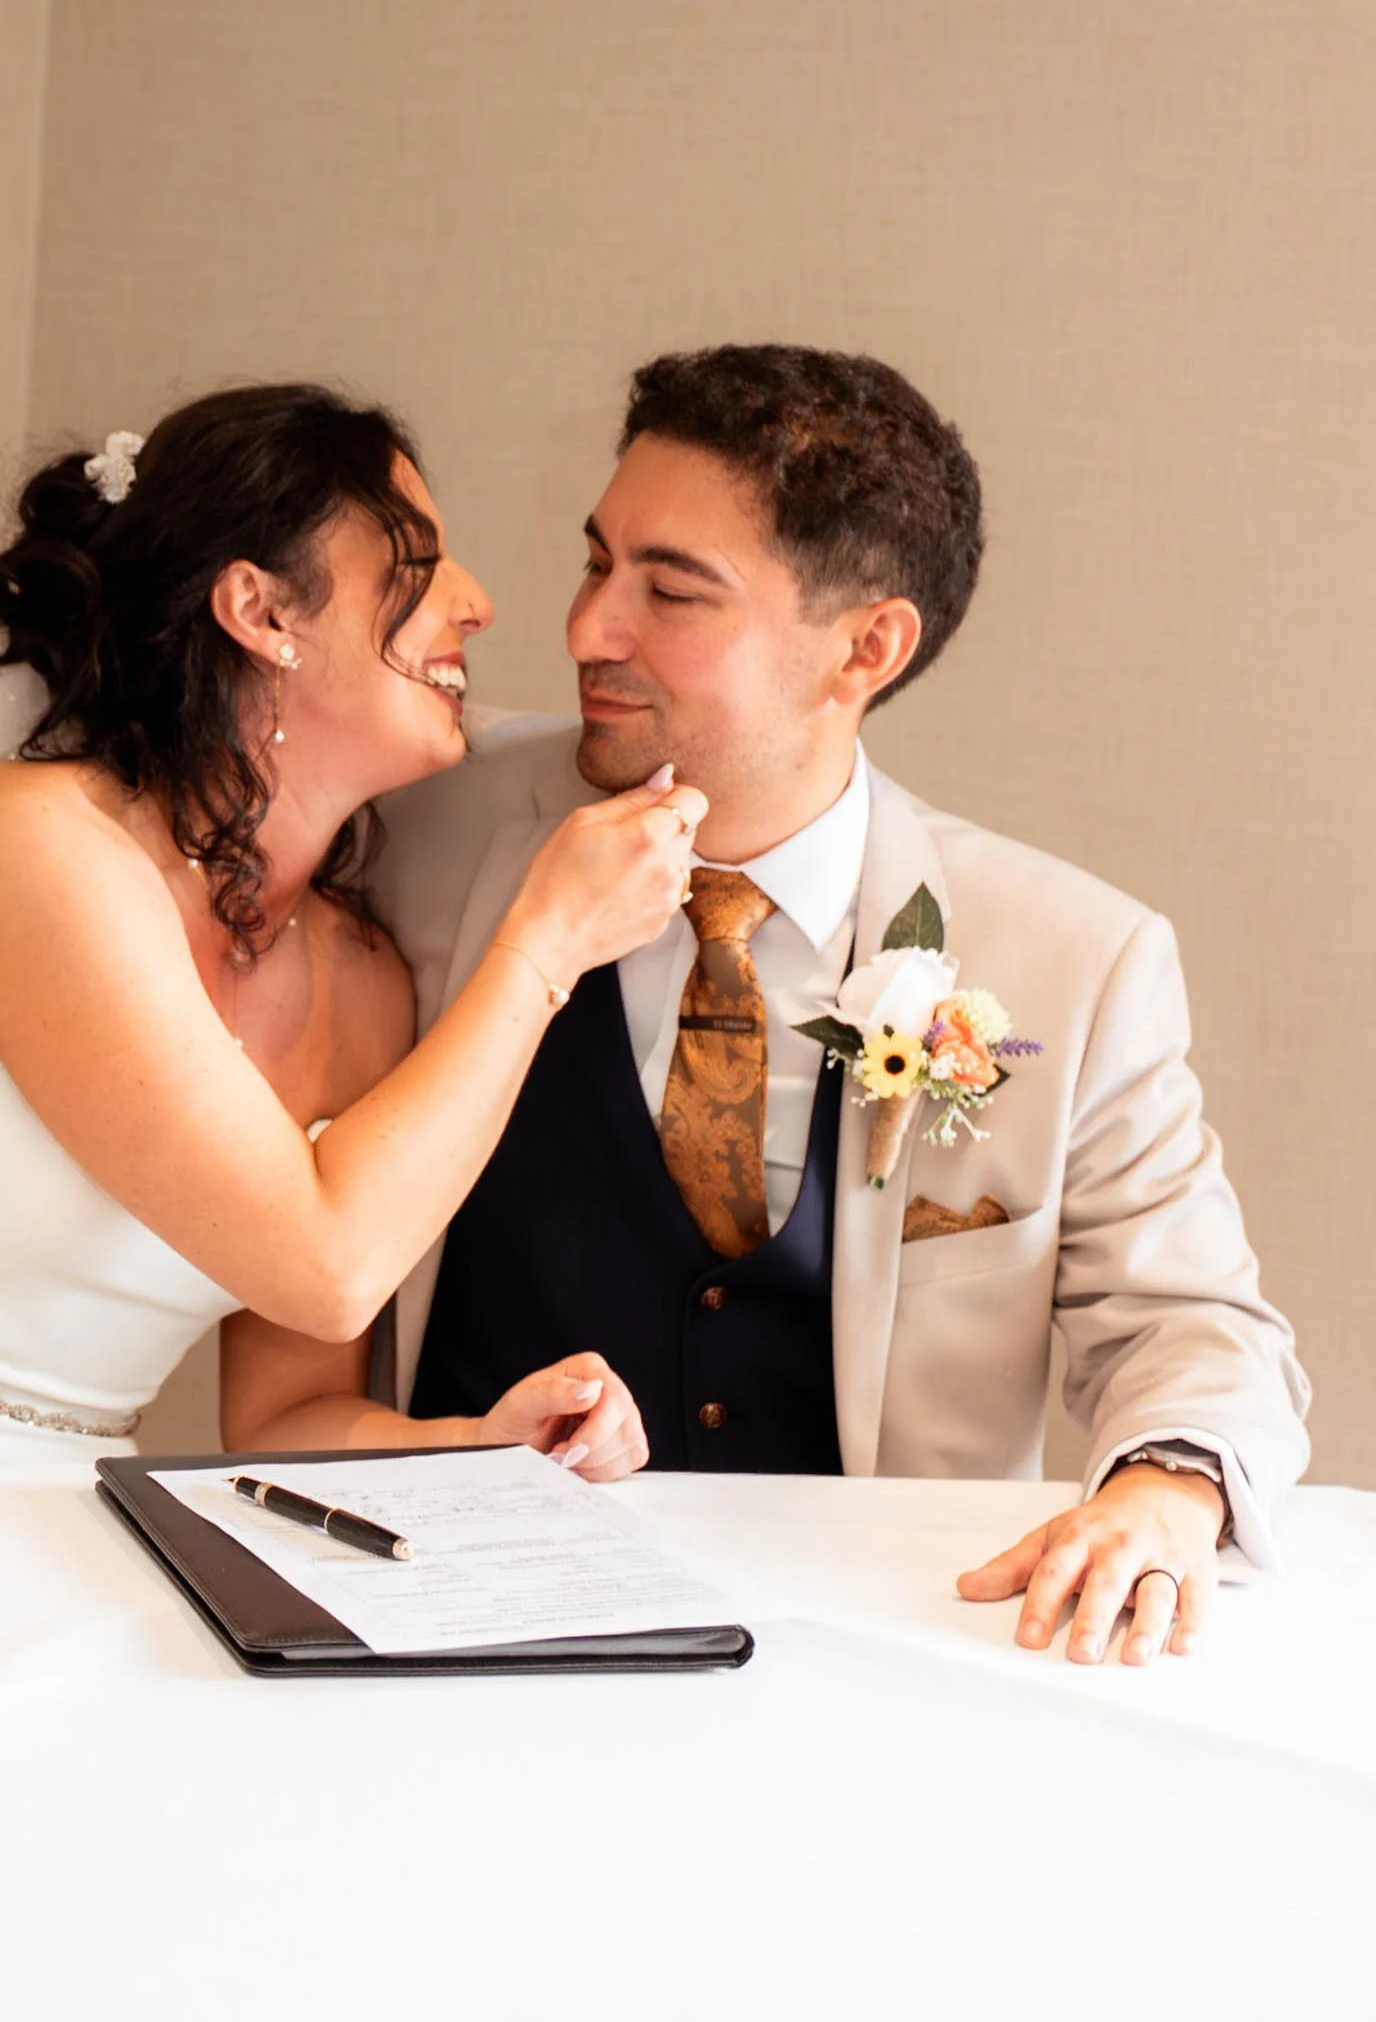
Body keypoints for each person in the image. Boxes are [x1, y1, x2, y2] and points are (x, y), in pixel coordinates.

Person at [369, 343, 1309, 1668]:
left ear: (867, 646)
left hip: (866, 1661)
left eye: (670, 589)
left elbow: (1197, 1323)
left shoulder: (1075, 962)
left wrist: (1164, 1486)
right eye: (597, 562)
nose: (587, 628)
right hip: (436, 1628)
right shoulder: (417, 823)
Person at [0, 383, 705, 1475]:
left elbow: (284, 1416)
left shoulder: (360, 983)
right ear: (259, 612)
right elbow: (328, 1264)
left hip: (69, 1533)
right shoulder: (31, 850)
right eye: (414, 563)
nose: (477, 603)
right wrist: (545, 944)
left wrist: (489, 1447)